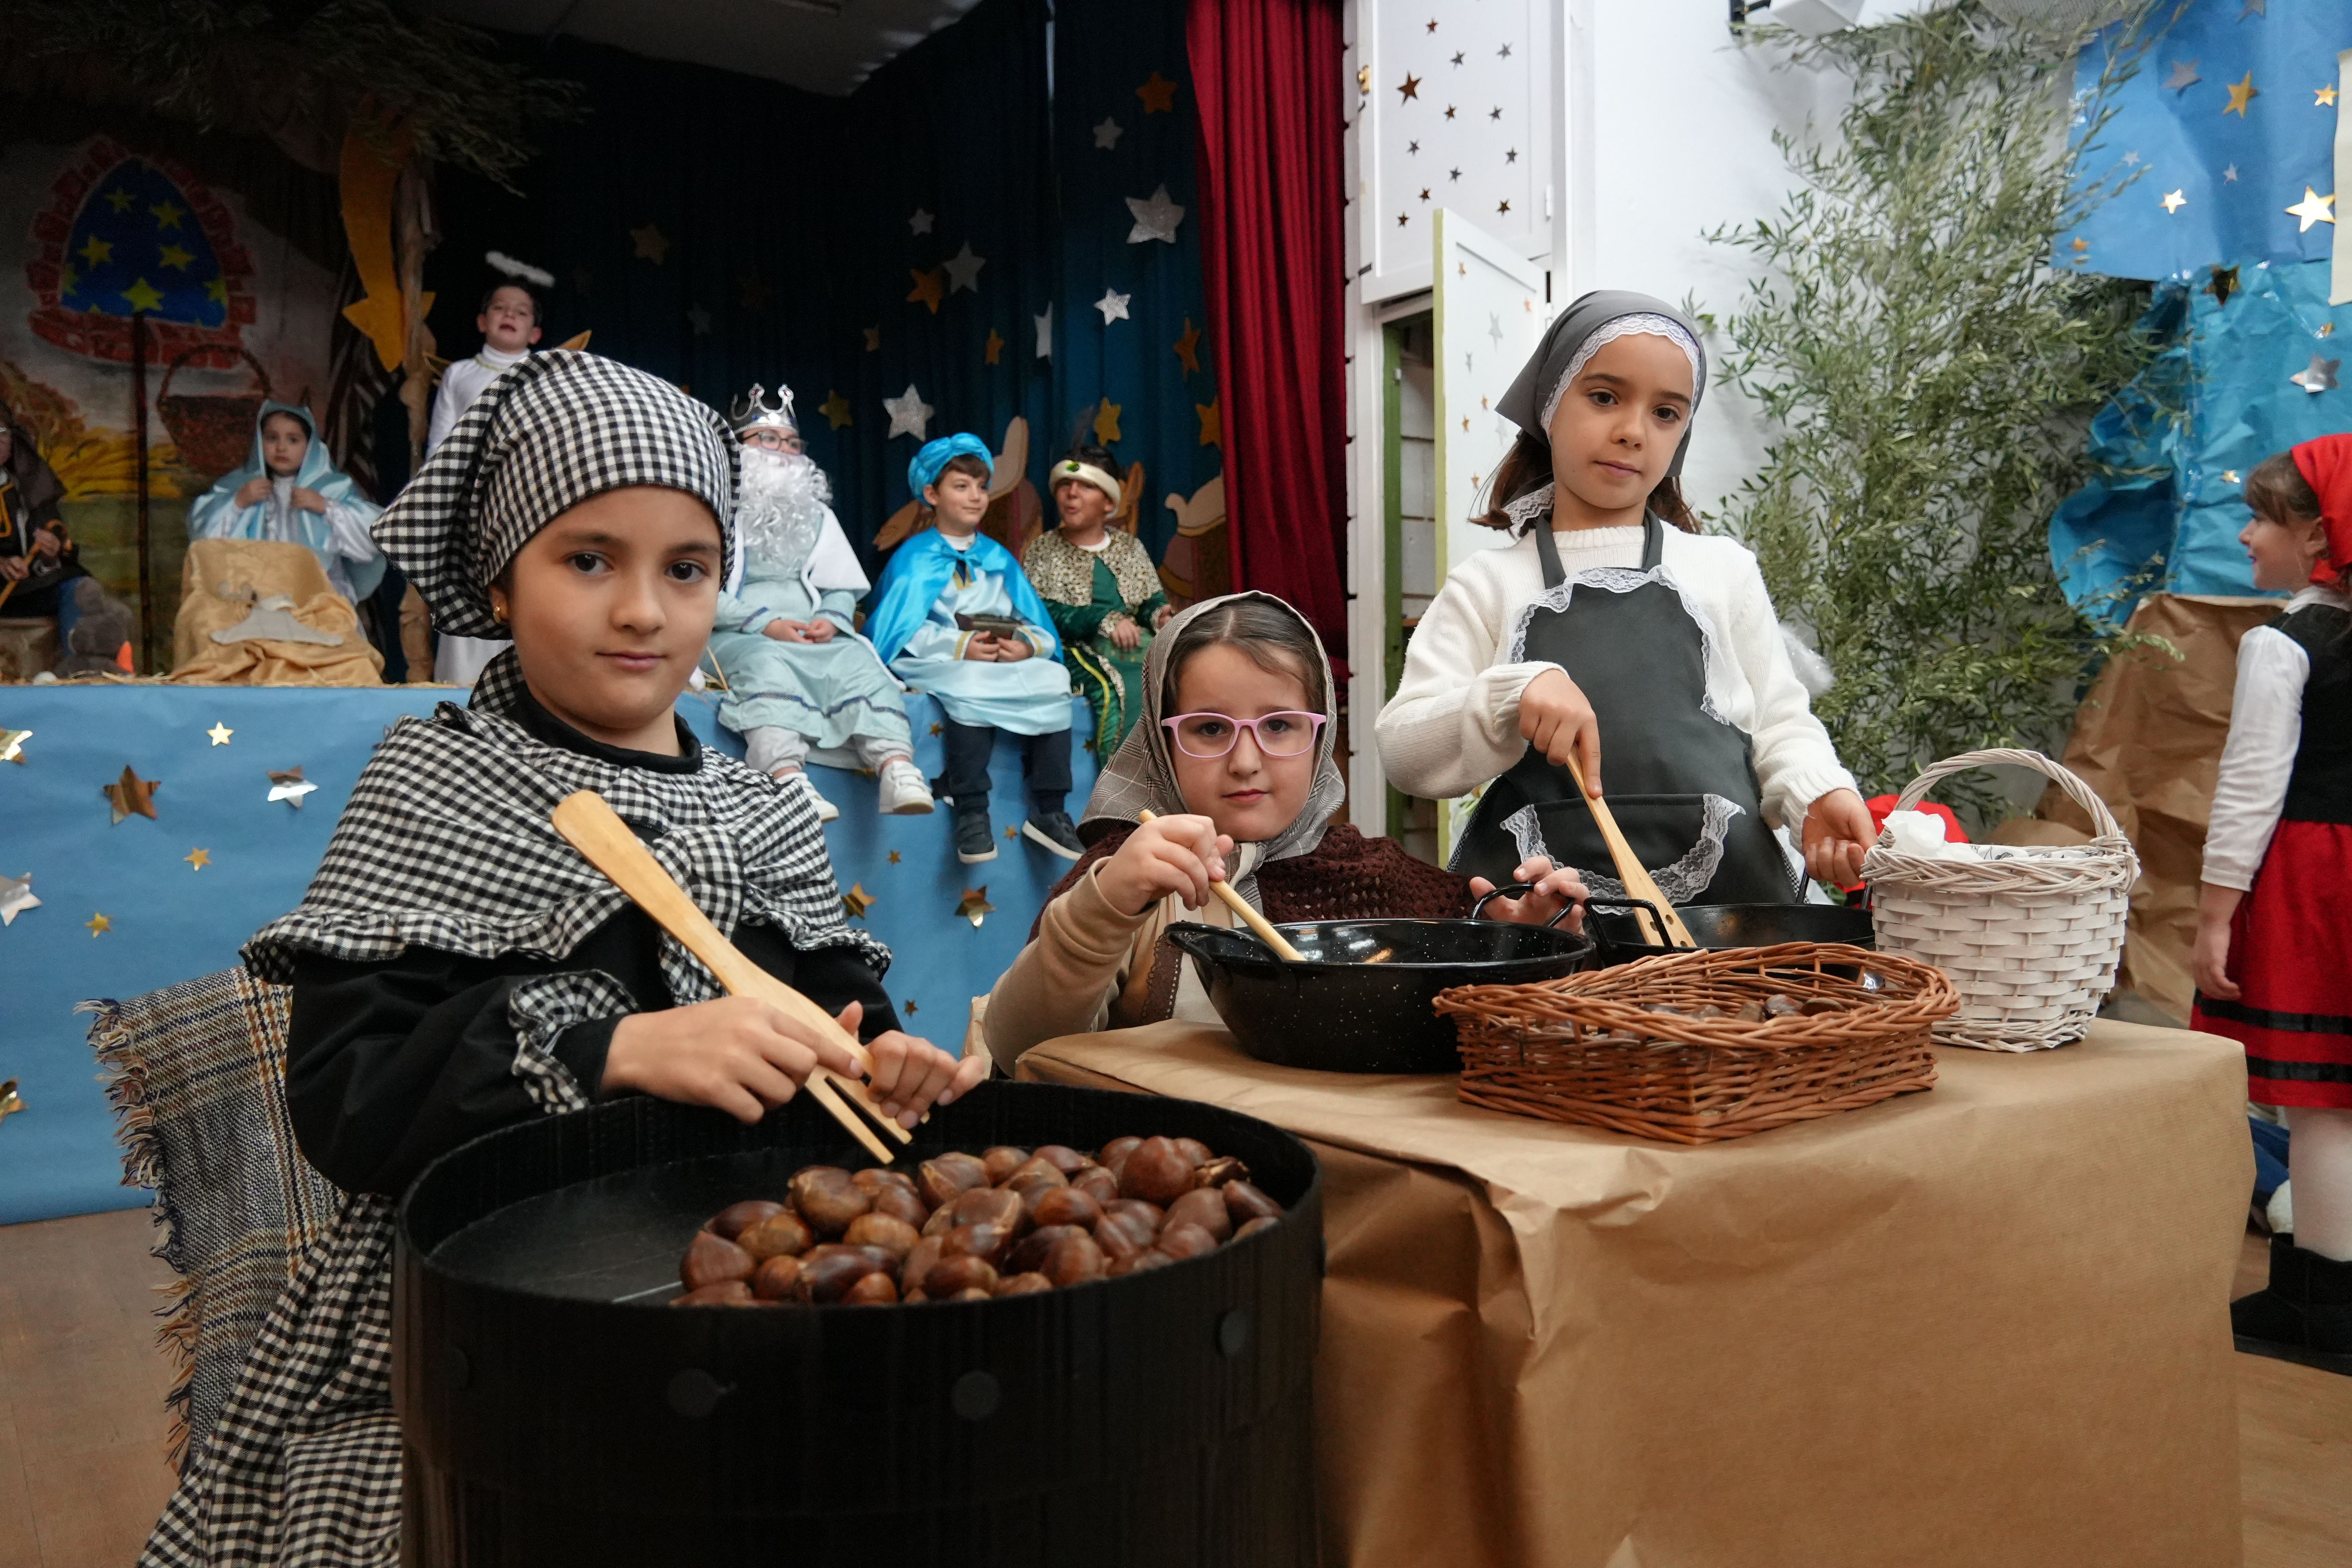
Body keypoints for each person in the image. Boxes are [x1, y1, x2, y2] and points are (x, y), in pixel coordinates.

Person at [139, 351, 983, 1567]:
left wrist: (874, 1051)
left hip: (748, 1286)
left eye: (687, 569)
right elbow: (350, 1096)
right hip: (493, 1321)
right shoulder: (439, 784)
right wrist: (615, 1047)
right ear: (501, 572)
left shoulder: (760, 806)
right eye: (589, 559)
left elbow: (828, 1000)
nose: (644, 610)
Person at [1374, 291, 1875, 906]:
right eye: (1605, 396)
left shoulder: (1723, 571)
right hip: (1553, 925)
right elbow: (1402, 748)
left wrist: (1817, 794)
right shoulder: (1489, 585)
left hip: (1733, 925)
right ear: (1551, 404)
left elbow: (1779, 724)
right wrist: (1513, 693)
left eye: (1665, 413)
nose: (1632, 431)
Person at [985, 591, 1585, 1069]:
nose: (1246, 761)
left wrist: (1515, 945)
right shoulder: (1128, 881)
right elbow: (1019, 1050)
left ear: (1320, 738)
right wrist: (1103, 908)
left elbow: (1470, 1038)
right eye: (1210, 729)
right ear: (1160, 744)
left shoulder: (1378, 880)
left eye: (1280, 726)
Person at [2193, 437, 2352, 1364]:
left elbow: (2249, 785)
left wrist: (2217, 911)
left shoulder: (2282, 644)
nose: (2247, 534)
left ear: (2317, 534)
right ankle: (2308, 1284)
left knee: (2321, 1101)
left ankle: (2321, 1308)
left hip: (2309, 880)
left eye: (2262, 518)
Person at [710, 383, 931, 820]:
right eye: (768, 440)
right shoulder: (713, 509)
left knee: (857, 661)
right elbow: (693, 588)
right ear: (737, 449)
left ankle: (896, 768)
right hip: (734, 631)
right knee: (766, 663)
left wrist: (831, 619)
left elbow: (840, 586)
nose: (782, 452)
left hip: (810, 631)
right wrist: (766, 624)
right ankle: (786, 776)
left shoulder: (815, 514)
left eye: (791, 443)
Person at [866, 433, 1079, 865]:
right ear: (932, 494)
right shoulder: (915, 558)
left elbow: (1035, 625)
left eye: (981, 487)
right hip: (941, 659)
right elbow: (900, 629)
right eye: (961, 487)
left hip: (999, 659)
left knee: (1053, 676)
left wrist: (1025, 646)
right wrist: (959, 645)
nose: (976, 497)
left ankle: (1051, 808)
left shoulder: (998, 558)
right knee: (969, 684)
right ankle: (971, 808)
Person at [425, 273, 546, 686]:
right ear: (482, 322)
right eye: (500, 308)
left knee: (523, 594)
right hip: (470, 504)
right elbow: (441, 442)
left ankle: (523, 694)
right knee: (469, 596)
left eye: (521, 311)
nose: (509, 315)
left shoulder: (544, 375)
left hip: (524, 503)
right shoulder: (459, 374)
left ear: (535, 331)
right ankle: (460, 694)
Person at [1023, 444, 1173, 756]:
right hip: (1075, 650)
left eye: (1086, 486)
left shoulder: (1129, 547)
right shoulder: (1044, 549)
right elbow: (1041, 611)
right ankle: (1119, 791)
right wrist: (1104, 620)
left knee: (1177, 674)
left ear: (1108, 502)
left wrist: (1159, 616)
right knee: (1115, 689)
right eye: (1065, 485)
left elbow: (1148, 600)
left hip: (1134, 647)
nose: (1072, 493)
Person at [187, 402, 387, 606]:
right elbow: (205, 541)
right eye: (272, 438)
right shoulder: (241, 485)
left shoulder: (332, 488)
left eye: (293, 440)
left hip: (318, 594)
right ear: (260, 441)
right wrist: (239, 502)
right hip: (257, 594)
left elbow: (376, 534)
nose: (281, 448)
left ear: (310, 446)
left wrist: (326, 507)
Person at [0, 406, 87, 634]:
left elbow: (53, 535)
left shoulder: (26, 488)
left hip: (22, 590)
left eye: (2, 433)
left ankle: (83, 669)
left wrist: (50, 555)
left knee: (82, 590)